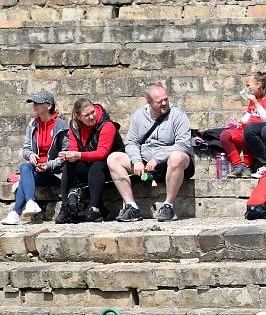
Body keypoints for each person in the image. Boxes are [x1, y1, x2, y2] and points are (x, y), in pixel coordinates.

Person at [107, 84, 195, 222]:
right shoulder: (138, 116)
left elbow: (183, 144)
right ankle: (131, 207)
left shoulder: (178, 114)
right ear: (149, 102)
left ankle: (168, 206)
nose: (165, 103)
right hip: (145, 162)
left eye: (166, 99)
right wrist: (136, 160)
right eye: (160, 102)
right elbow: (131, 142)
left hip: (172, 162)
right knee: (114, 158)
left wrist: (158, 159)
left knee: (177, 157)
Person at [2, 91, 69, 226]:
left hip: (54, 172)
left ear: (49, 105)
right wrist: (30, 155)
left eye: (38, 103)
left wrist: (48, 165)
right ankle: (30, 203)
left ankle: (16, 212)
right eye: (34, 103)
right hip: (37, 170)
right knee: (25, 167)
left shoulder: (61, 126)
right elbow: (26, 148)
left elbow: (65, 154)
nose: (34, 106)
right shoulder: (33, 124)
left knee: (23, 178)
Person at [58, 98, 125, 223]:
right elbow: (74, 149)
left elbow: (102, 153)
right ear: (78, 116)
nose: (91, 116)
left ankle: (95, 209)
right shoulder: (74, 126)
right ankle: (65, 206)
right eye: (87, 115)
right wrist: (68, 155)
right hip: (89, 161)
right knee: (69, 165)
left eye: (92, 112)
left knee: (96, 166)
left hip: (110, 163)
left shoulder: (107, 125)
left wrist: (78, 155)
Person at [223, 72, 266, 178]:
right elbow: (249, 114)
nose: (246, 88)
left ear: (258, 85)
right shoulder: (252, 101)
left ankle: (247, 165)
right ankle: (237, 165)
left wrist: (255, 102)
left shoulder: (265, 100)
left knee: (247, 133)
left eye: (248, 85)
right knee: (224, 135)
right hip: (245, 128)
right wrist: (242, 121)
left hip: (254, 132)